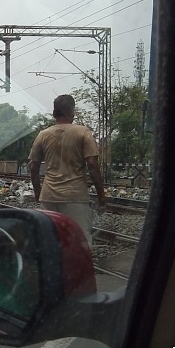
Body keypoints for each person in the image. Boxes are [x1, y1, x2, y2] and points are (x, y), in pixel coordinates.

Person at [29, 94, 107, 247]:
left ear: (54, 114)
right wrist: (101, 196)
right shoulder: (83, 132)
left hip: (49, 196)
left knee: (50, 240)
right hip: (75, 197)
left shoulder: (43, 135)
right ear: (72, 112)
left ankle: (52, 269)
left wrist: (38, 193)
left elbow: (33, 167)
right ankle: (77, 269)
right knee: (78, 241)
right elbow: (92, 164)